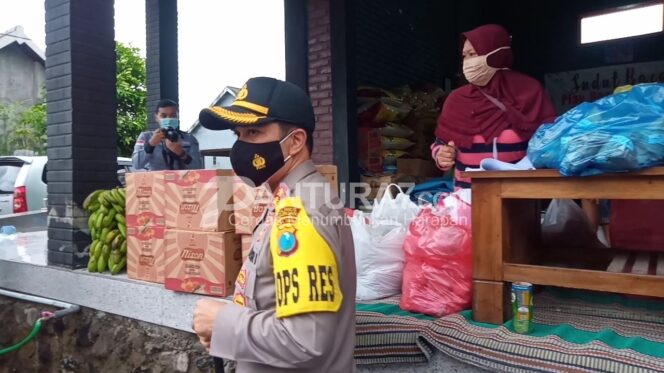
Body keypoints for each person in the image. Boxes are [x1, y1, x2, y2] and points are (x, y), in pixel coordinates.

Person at [191, 77, 356, 373]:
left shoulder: (303, 209)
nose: (240, 146)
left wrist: (223, 322)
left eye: (253, 131)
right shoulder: (289, 198)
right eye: (238, 133)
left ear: (295, 141)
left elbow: (306, 340)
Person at [432, 24, 557, 188]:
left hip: (521, 194)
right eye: (465, 56)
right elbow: (440, 143)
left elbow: (551, 141)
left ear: (496, 53)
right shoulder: (456, 99)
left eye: (473, 54)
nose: (468, 62)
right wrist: (441, 155)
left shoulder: (529, 91)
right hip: (468, 195)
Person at [132, 99, 203, 171]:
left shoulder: (189, 138)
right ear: (156, 117)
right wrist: (151, 144)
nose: (168, 119)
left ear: (178, 117)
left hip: (181, 180)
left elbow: (198, 167)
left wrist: (182, 154)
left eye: (173, 115)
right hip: (156, 180)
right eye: (163, 116)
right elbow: (136, 165)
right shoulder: (146, 137)